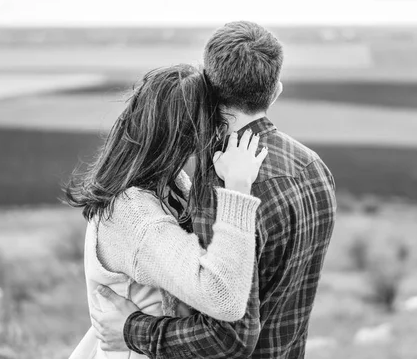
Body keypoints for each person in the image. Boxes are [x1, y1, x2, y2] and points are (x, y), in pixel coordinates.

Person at [91, 21, 337, 358]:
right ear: (276, 89)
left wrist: (131, 330)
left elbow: (229, 339)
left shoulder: (225, 187)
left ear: (210, 91)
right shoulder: (313, 166)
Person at [64, 63, 268, 359]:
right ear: (187, 134)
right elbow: (223, 298)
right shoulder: (133, 215)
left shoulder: (168, 184)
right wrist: (237, 190)